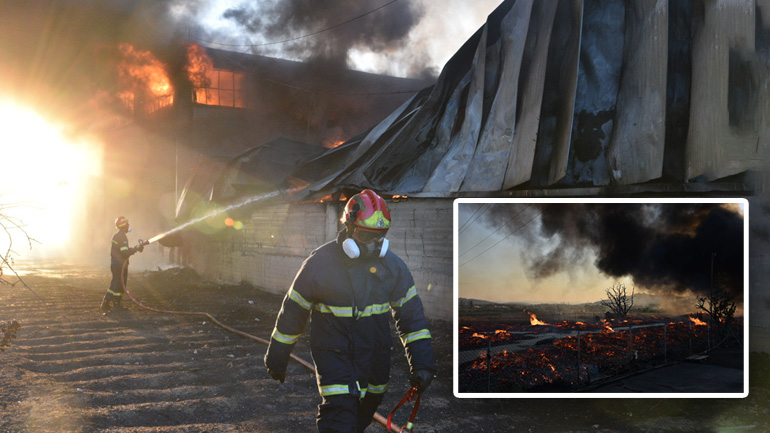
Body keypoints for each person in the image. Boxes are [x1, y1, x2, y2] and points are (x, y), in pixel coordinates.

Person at [265, 189, 435, 433]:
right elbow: (293, 312)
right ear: (349, 227)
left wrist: (422, 364)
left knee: (363, 413)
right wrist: (277, 357)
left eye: (380, 236)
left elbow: (412, 319)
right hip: (334, 354)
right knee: (339, 414)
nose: (374, 243)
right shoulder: (320, 264)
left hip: (375, 357)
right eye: (366, 235)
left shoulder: (393, 267)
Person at [100, 216, 144, 313]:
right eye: (127, 225)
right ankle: (113, 304)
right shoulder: (122, 237)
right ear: (125, 226)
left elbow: (123, 251)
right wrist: (135, 249)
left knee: (116, 283)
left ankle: (109, 303)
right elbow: (124, 252)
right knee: (118, 284)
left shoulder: (117, 235)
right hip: (120, 265)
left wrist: (135, 248)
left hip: (116, 264)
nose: (129, 226)